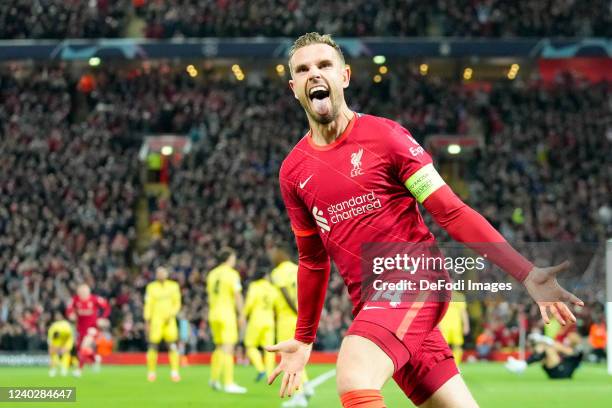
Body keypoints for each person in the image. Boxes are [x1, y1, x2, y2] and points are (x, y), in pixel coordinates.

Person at [266, 32, 583, 408]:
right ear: (293, 87)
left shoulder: (387, 138)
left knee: (353, 373)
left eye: (324, 65)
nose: (314, 74)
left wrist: (526, 272)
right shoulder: (293, 171)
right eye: (303, 70)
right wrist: (304, 338)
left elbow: (451, 211)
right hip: (373, 302)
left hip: (414, 279)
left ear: (345, 76)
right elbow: (312, 261)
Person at [269, 244, 312, 407]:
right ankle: (306, 387)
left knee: (289, 356)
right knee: (298, 353)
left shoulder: (277, 273)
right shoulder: (296, 268)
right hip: (301, 316)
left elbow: (284, 293)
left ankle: (299, 396)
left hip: (287, 317)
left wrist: (294, 310)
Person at [206, 247, 247, 394]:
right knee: (228, 348)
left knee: (218, 347)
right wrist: (241, 314)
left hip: (213, 313)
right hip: (226, 313)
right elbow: (237, 295)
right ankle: (228, 383)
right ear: (229, 258)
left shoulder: (212, 274)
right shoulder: (231, 274)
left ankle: (214, 379)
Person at [144, 266, 182, 382]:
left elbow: (177, 303)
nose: (161, 275)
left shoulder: (173, 286)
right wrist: (147, 320)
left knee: (172, 345)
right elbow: (148, 304)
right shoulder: (151, 287)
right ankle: (151, 372)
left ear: (167, 274)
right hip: (156, 320)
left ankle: (174, 372)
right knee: (153, 345)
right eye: (158, 273)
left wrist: (171, 314)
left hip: (169, 320)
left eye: (163, 272)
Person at [66, 284, 110, 374]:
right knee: (80, 349)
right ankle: (95, 359)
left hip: (92, 328)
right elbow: (69, 309)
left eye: (85, 292)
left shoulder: (95, 299)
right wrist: (71, 315)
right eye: (81, 292)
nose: (83, 294)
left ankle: (79, 370)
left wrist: (102, 317)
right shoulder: (75, 300)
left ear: (88, 292)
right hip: (80, 329)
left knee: (84, 347)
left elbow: (107, 307)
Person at [244, 265, 278, 382]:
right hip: (269, 321)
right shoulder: (272, 288)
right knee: (269, 349)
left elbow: (249, 303)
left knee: (250, 346)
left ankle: (260, 369)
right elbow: (276, 305)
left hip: (256, 320)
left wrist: (243, 315)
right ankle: (270, 374)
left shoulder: (254, 286)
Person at [506, 332, 584, 379]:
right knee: (542, 347)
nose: (566, 339)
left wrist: (543, 339)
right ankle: (522, 364)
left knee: (547, 348)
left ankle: (522, 365)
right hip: (557, 370)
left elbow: (563, 349)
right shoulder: (568, 349)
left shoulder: (577, 352)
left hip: (562, 374)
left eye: (568, 338)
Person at [439, 291, 470, 365]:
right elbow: (439, 311)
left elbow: (463, 312)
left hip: (456, 326)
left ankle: (456, 365)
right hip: (444, 325)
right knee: (442, 347)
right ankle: (444, 365)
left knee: (457, 345)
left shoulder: (460, 296)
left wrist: (466, 325)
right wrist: (437, 324)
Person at [47, 312, 76, 377]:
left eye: (59, 316)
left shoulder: (66, 324)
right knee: (54, 355)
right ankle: (53, 369)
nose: (57, 317)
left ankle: (64, 369)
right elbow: (51, 337)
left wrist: (67, 345)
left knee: (66, 354)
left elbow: (70, 335)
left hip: (66, 342)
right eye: (56, 316)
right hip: (56, 342)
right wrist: (51, 345)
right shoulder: (54, 325)